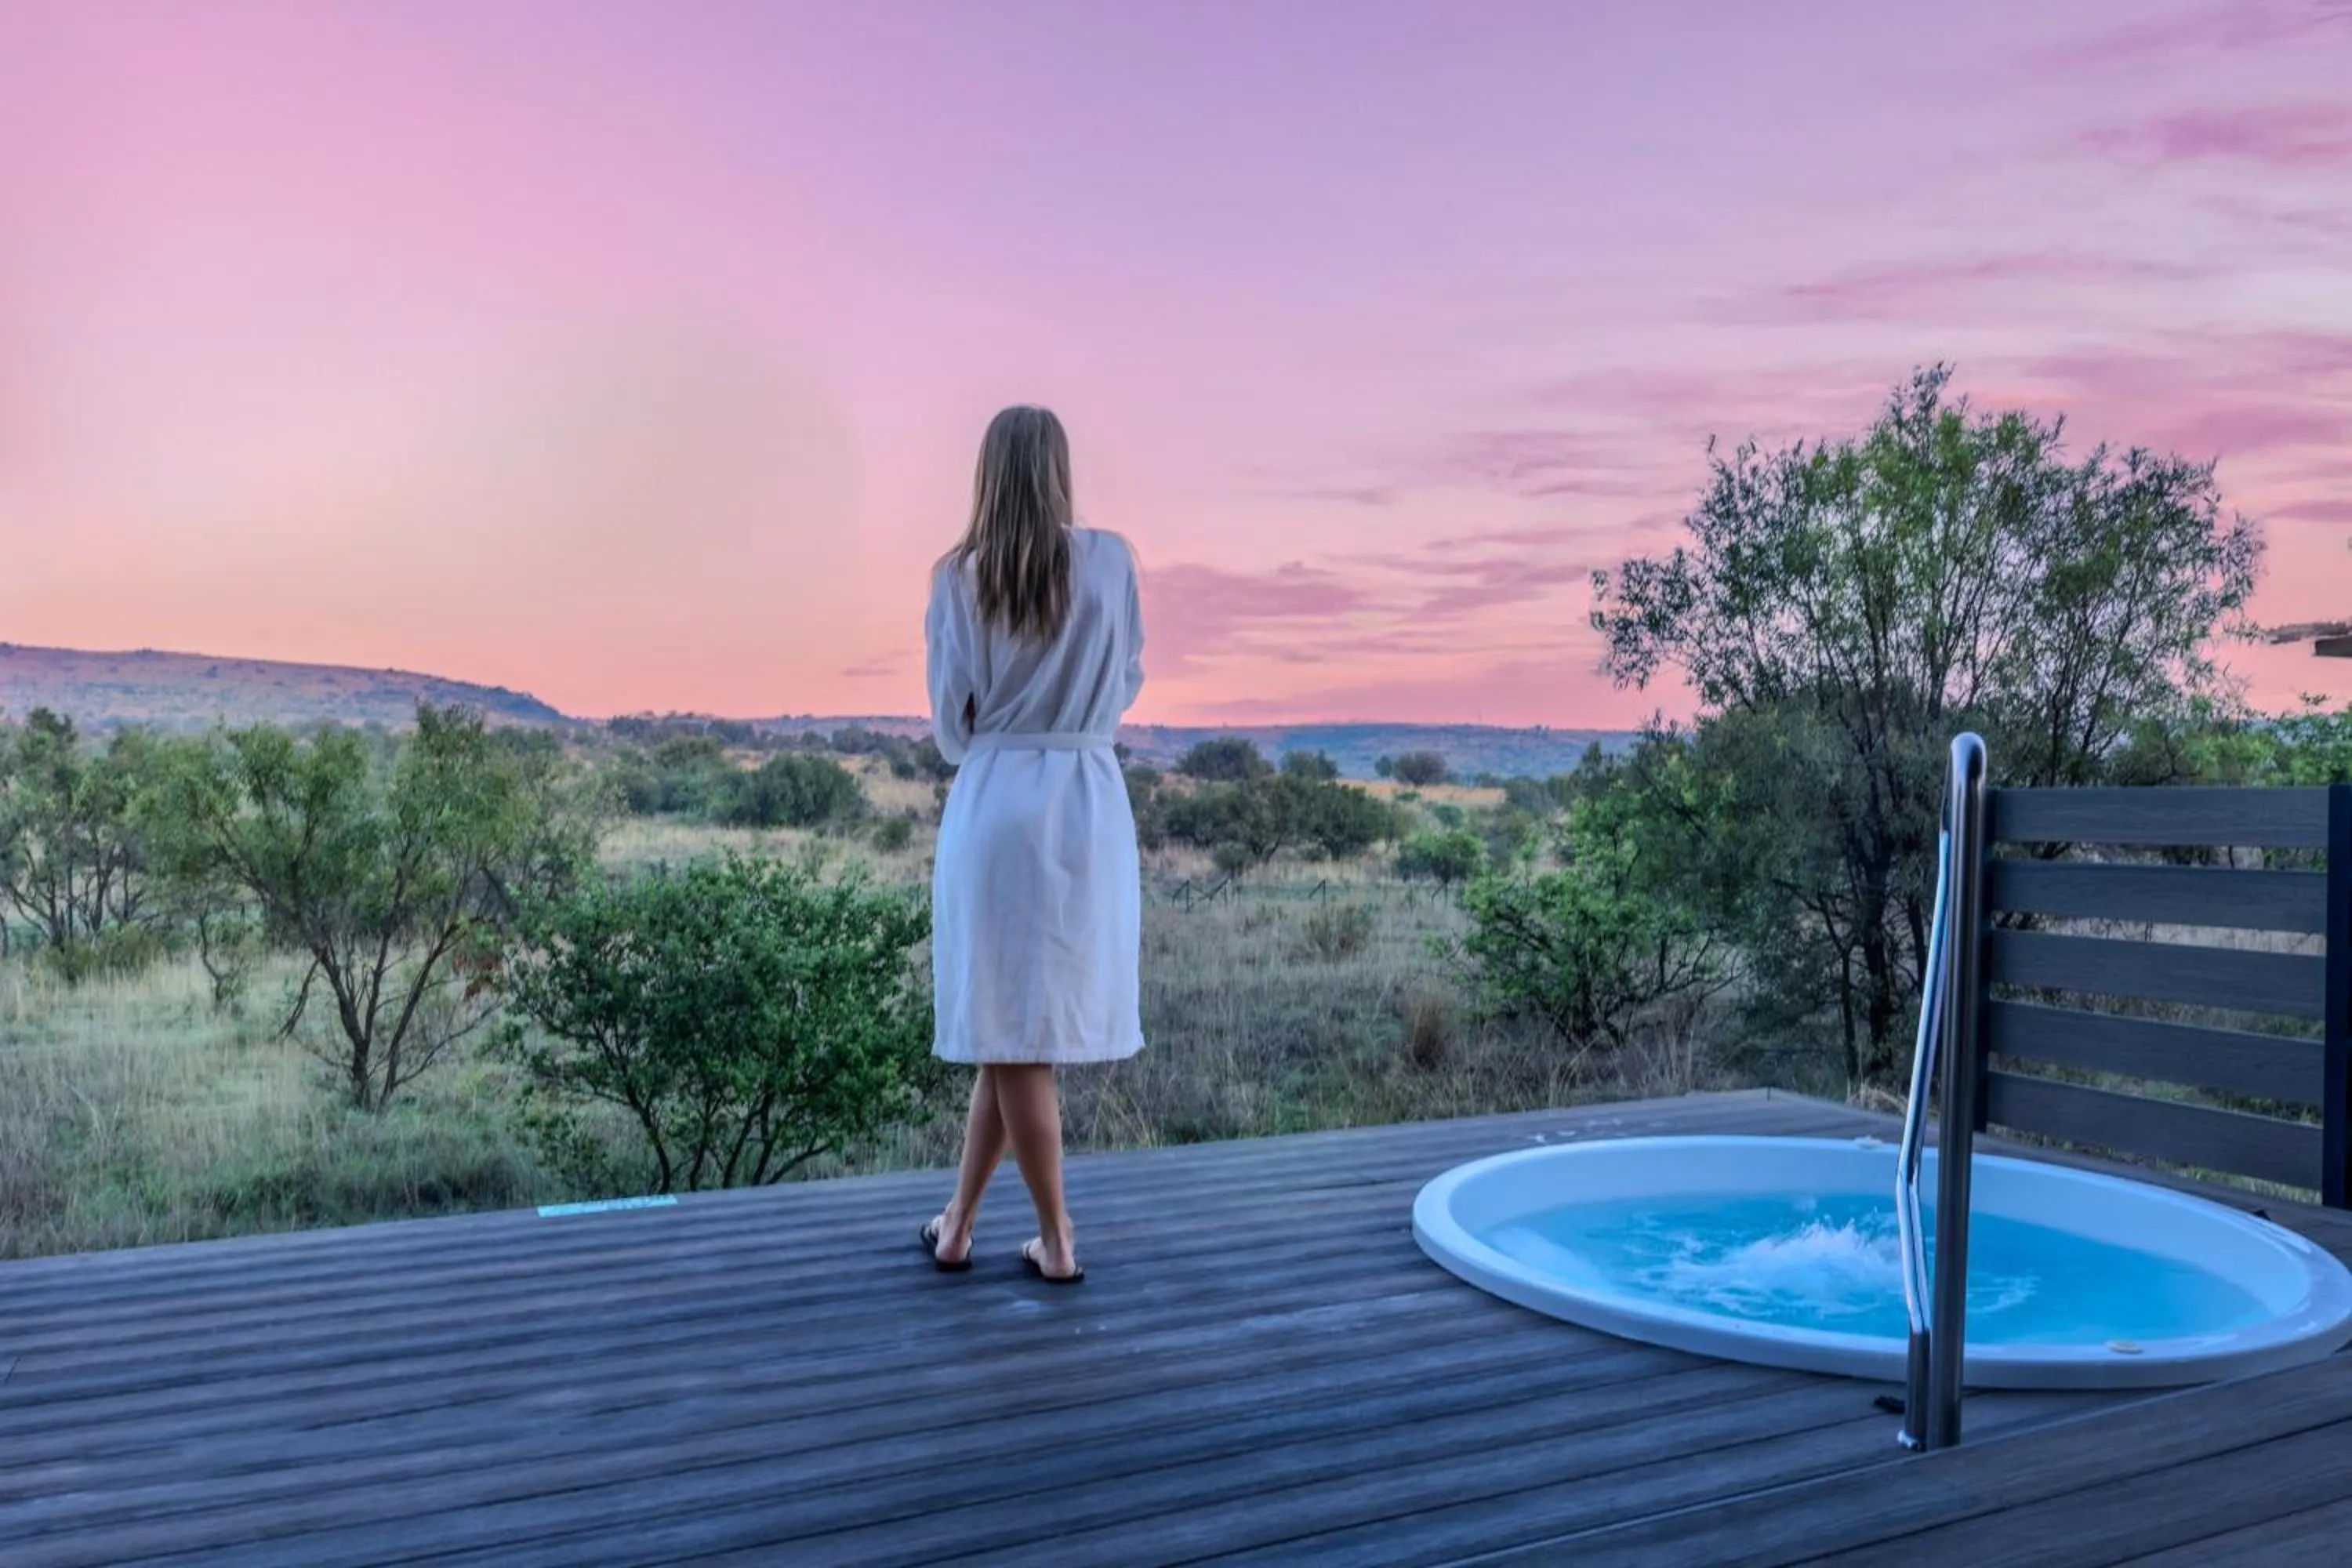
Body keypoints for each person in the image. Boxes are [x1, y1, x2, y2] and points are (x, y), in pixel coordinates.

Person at [918, 405, 1146, 1284]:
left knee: (1012, 1031)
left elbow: (952, 718)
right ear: (1059, 468)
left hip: (997, 800)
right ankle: (994, 1229)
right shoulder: (1112, 560)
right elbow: (1126, 677)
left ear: (987, 471)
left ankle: (1014, 1234)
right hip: (1085, 803)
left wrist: (1005, 722)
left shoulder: (958, 578)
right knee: (1012, 1031)